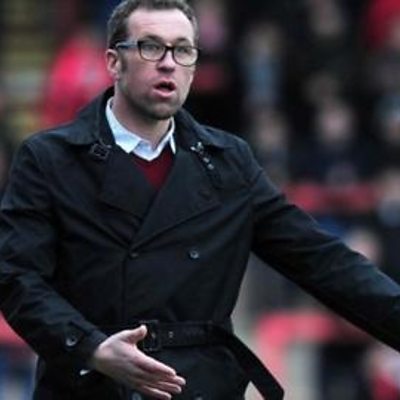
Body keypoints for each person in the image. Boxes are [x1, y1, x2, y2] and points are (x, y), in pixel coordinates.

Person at [1, 1, 400, 399]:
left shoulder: (229, 162)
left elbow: (321, 260)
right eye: (151, 47)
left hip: (200, 385)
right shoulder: (49, 158)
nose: (168, 63)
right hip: (90, 387)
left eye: (182, 50)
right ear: (113, 62)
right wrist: (92, 348)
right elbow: (16, 277)